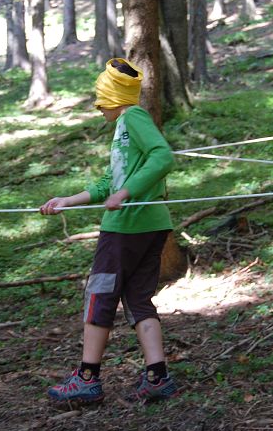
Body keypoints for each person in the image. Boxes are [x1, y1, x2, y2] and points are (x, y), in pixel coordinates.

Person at [39, 58, 179, 405]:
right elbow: (109, 181)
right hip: (150, 226)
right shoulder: (124, 127)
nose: (97, 105)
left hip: (126, 228)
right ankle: (157, 377)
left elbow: (162, 156)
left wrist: (125, 193)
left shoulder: (133, 118)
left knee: (99, 295)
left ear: (114, 97)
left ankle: (87, 379)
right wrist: (68, 201)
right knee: (138, 299)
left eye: (100, 98)